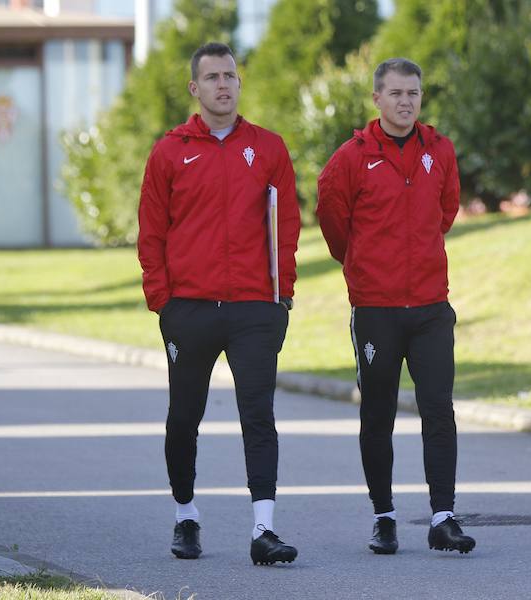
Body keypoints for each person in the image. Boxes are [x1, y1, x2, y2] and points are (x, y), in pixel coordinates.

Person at [137, 42, 301, 565]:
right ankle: (186, 516)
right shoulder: (169, 152)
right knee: (184, 417)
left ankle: (264, 530)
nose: (223, 85)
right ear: (195, 88)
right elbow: (151, 231)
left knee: (259, 415)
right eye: (212, 78)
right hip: (189, 308)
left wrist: (282, 296)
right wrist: (162, 300)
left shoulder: (269, 148)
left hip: (255, 307)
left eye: (230, 75)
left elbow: (287, 226)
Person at [316, 57, 475, 555]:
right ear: (376, 99)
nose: (406, 102)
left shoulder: (440, 150)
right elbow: (333, 223)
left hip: (430, 306)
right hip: (376, 310)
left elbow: (444, 212)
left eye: (414, 93)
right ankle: (383, 516)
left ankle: (443, 516)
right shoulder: (350, 157)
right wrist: (364, 264)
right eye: (397, 93)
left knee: (438, 411)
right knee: (378, 413)